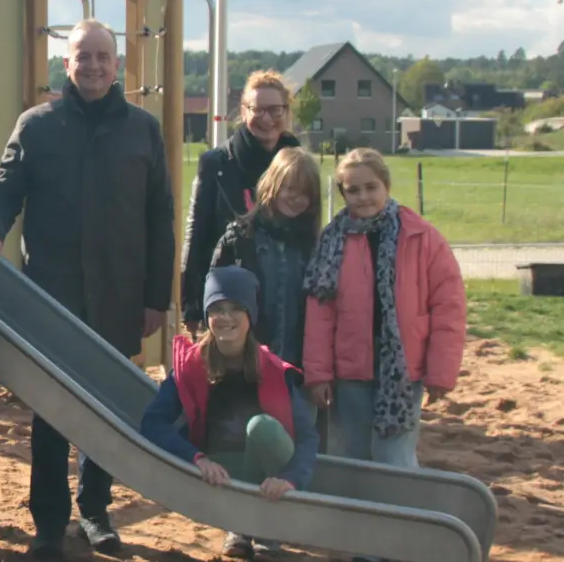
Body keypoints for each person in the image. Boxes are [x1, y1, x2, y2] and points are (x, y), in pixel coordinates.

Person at [0, 19, 176, 558]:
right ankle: (49, 519)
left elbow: (161, 216)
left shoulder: (143, 130)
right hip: (52, 296)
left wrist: (157, 294)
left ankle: (94, 509)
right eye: (81, 56)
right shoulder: (37, 126)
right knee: (51, 409)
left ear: (118, 66)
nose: (91, 65)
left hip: (118, 293)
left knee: (108, 408)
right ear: (66, 65)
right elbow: (4, 192)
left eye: (101, 57)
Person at [303, 150, 465, 497]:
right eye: (353, 190)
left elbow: (448, 307)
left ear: (386, 186)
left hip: (403, 373)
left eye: (370, 187)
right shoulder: (332, 242)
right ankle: (359, 540)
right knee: (350, 461)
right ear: (343, 194)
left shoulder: (422, 238)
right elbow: (320, 313)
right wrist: (317, 373)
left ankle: (397, 535)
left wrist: (441, 373)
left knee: (395, 462)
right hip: (350, 375)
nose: (363, 197)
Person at [141, 268, 319, 560]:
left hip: (267, 473)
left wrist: (290, 479)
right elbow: (152, 421)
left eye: (236, 309)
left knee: (262, 427)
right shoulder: (191, 366)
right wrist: (195, 458)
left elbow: (308, 436)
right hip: (220, 470)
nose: (226, 317)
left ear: (251, 316)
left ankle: (267, 527)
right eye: (217, 309)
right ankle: (239, 525)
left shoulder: (273, 370)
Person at [183, 69, 303, 334]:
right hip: (232, 296)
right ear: (243, 110)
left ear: (287, 110)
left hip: (287, 295)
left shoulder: (299, 164)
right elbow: (197, 233)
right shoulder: (217, 163)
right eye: (257, 110)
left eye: (275, 110)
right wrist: (191, 301)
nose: (266, 119)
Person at [210, 147, 323, 368]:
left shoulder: (313, 246)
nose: (297, 198)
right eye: (290, 188)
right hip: (247, 364)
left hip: (297, 367)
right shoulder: (239, 239)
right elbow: (216, 299)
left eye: (306, 193)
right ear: (272, 186)